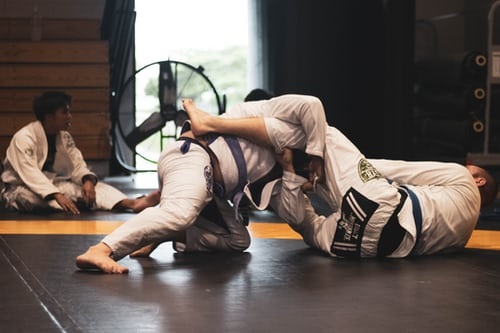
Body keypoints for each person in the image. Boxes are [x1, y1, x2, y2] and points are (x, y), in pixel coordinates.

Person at [183, 96, 497, 258]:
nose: (465, 168)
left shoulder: (462, 178)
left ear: (479, 180)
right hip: (367, 248)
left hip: (382, 204)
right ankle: (289, 173)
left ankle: (212, 124)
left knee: (323, 134)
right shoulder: (462, 237)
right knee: (307, 225)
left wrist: (342, 162)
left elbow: (400, 170)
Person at [75, 94, 327, 273]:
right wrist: (317, 154)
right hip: (190, 156)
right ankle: (102, 249)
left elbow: (297, 218)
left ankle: (169, 234)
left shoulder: (281, 168)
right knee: (180, 213)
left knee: (237, 240)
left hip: (208, 187)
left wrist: (292, 173)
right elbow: (310, 105)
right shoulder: (257, 114)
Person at [0, 91, 159, 215]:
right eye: (64, 112)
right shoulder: (24, 137)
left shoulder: (64, 137)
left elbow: (77, 164)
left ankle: (132, 203)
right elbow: (29, 173)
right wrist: (55, 194)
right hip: (21, 188)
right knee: (31, 199)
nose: (69, 116)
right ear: (49, 117)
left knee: (90, 190)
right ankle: (72, 201)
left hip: (54, 185)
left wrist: (87, 181)